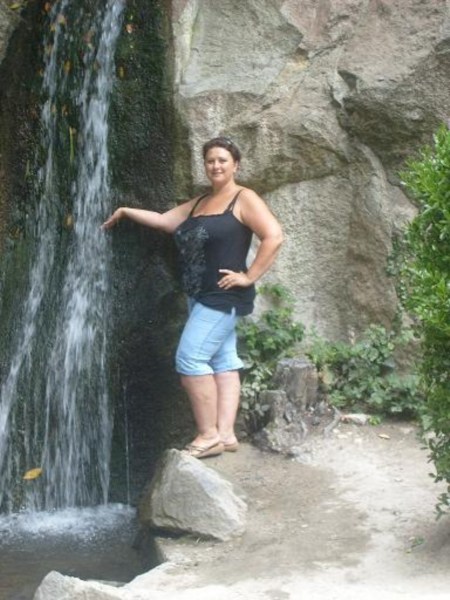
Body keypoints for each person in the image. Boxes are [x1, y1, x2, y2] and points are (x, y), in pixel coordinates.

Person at [102, 137, 283, 458]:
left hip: (223, 296)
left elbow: (274, 236)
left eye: (222, 160)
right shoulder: (200, 203)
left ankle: (208, 435)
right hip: (199, 295)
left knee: (189, 359)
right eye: (210, 160)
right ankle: (225, 434)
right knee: (223, 360)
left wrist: (249, 276)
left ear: (236, 165)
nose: (216, 165)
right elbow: (164, 221)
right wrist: (126, 211)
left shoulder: (243, 198)